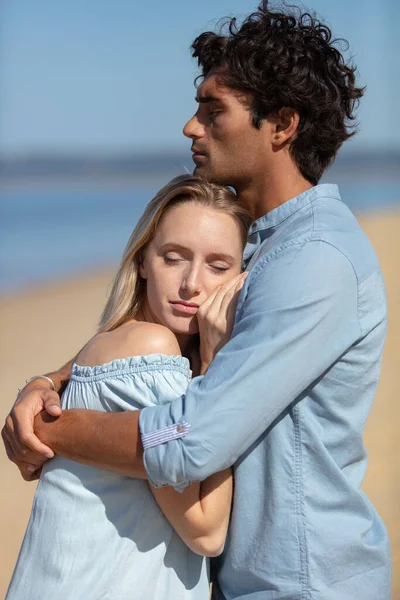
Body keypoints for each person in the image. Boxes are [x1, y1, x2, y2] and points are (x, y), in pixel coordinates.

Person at [3, 2, 392, 599]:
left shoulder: (314, 261)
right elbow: (162, 346)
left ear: (282, 125)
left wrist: (56, 430)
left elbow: (188, 442)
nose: (191, 126)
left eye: (214, 111)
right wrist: (50, 381)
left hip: (301, 584)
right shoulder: (257, 246)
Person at [5, 175, 251, 599]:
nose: (192, 283)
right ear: (142, 262)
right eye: (173, 258)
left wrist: (43, 381)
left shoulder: (128, 346)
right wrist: (214, 366)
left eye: (217, 266)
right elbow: (206, 530)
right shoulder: (149, 348)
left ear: (240, 276)